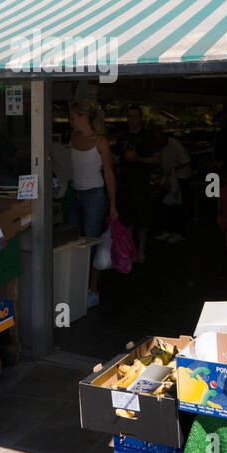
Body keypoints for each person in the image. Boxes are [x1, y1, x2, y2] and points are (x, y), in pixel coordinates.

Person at [69, 100, 118, 308]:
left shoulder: (101, 141)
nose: (70, 120)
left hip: (95, 195)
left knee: (92, 243)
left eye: (73, 116)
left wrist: (113, 204)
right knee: (74, 243)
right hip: (75, 194)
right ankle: (78, 286)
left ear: (82, 116)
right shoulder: (73, 137)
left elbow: (109, 173)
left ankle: (93, 290)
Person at [114, 104, 159, 262]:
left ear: (140, 118)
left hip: (142, 184)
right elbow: (117, 159)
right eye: (130, 116)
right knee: (127, 219)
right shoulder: (121, 138)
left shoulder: (148, 137)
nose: (132, 120)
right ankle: (130, 249)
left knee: (142, 219)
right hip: (125, 185)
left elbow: (156, 158)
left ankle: (140, 250)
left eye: (135, 116)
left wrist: (138, 159)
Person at [154, 132, 192, 243]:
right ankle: (169, 230)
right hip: (169, 178)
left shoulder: (175, 144)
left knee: (178, 206)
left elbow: (186, 160)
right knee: (168, 205)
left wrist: (173, 168)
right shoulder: (162, 146)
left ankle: (180, 232)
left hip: (180, 178)